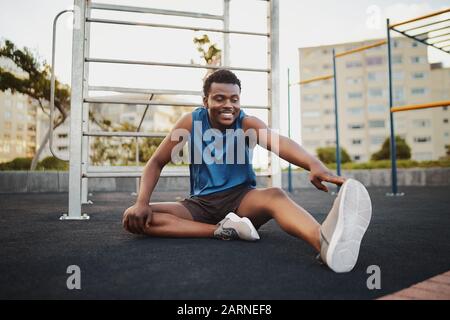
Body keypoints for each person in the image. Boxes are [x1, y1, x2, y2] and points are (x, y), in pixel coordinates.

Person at [122, 69, 372, 273]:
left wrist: (313, 164)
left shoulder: (247, 122)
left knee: (275, 195)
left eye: (234, 99)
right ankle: (223, 230)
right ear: (205, 100)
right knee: (136, 217)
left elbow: (279, 142)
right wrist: (141, 202)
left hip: (241, 201)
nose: (228, 104)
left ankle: (325, 243)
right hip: (199, 205)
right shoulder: (190, 121)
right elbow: (156, 162)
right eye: (219, 98)